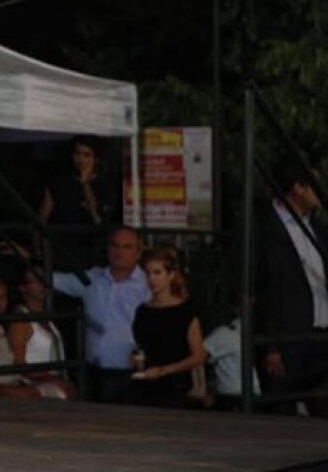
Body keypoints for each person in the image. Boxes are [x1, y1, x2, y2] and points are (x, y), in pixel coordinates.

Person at [254, 161, 328, 417]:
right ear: (298, 188)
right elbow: (258, 289)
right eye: (315, 185)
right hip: (286, 341)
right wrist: (270, 346)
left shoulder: (316, 227)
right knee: (283, 414)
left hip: (321, 338)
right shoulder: (263, 229)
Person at [51, 226, 151, 403]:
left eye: (127, 247)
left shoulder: (148, 284)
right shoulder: (92, 279)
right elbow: (54, 280)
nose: (119, 252)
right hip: (92, 371)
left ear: (138, 252)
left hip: (131, 371)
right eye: (115, 245)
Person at [129, 247, 205, 408]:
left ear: (170, 275)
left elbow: (198, 355)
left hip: (177, 389)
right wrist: (135, 359)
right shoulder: (142, 311)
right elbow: (140, 346)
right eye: (148, 274)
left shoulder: (185, 310)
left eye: (157, 273)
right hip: (146, 386)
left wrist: (164, 370)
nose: (151, 279)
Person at [37, 136, 114, 266]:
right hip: (61, 251)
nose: (81, 160)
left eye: (86, 155)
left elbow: (96, 217)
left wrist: (85, 183)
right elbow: (41, 218)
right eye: (77, 154)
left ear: (95, 159)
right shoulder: (58, 183)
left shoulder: (104, 185)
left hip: (91, 254)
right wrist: (38, 249)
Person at [8, 268, 76, 399]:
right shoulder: (21, 320)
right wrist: (47, 377)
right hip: (35, 382)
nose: (41, 285)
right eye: (35, 282)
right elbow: (17, 364)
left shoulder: (45, 317)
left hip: (53, 379)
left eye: (42, 280)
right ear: (23, 288)